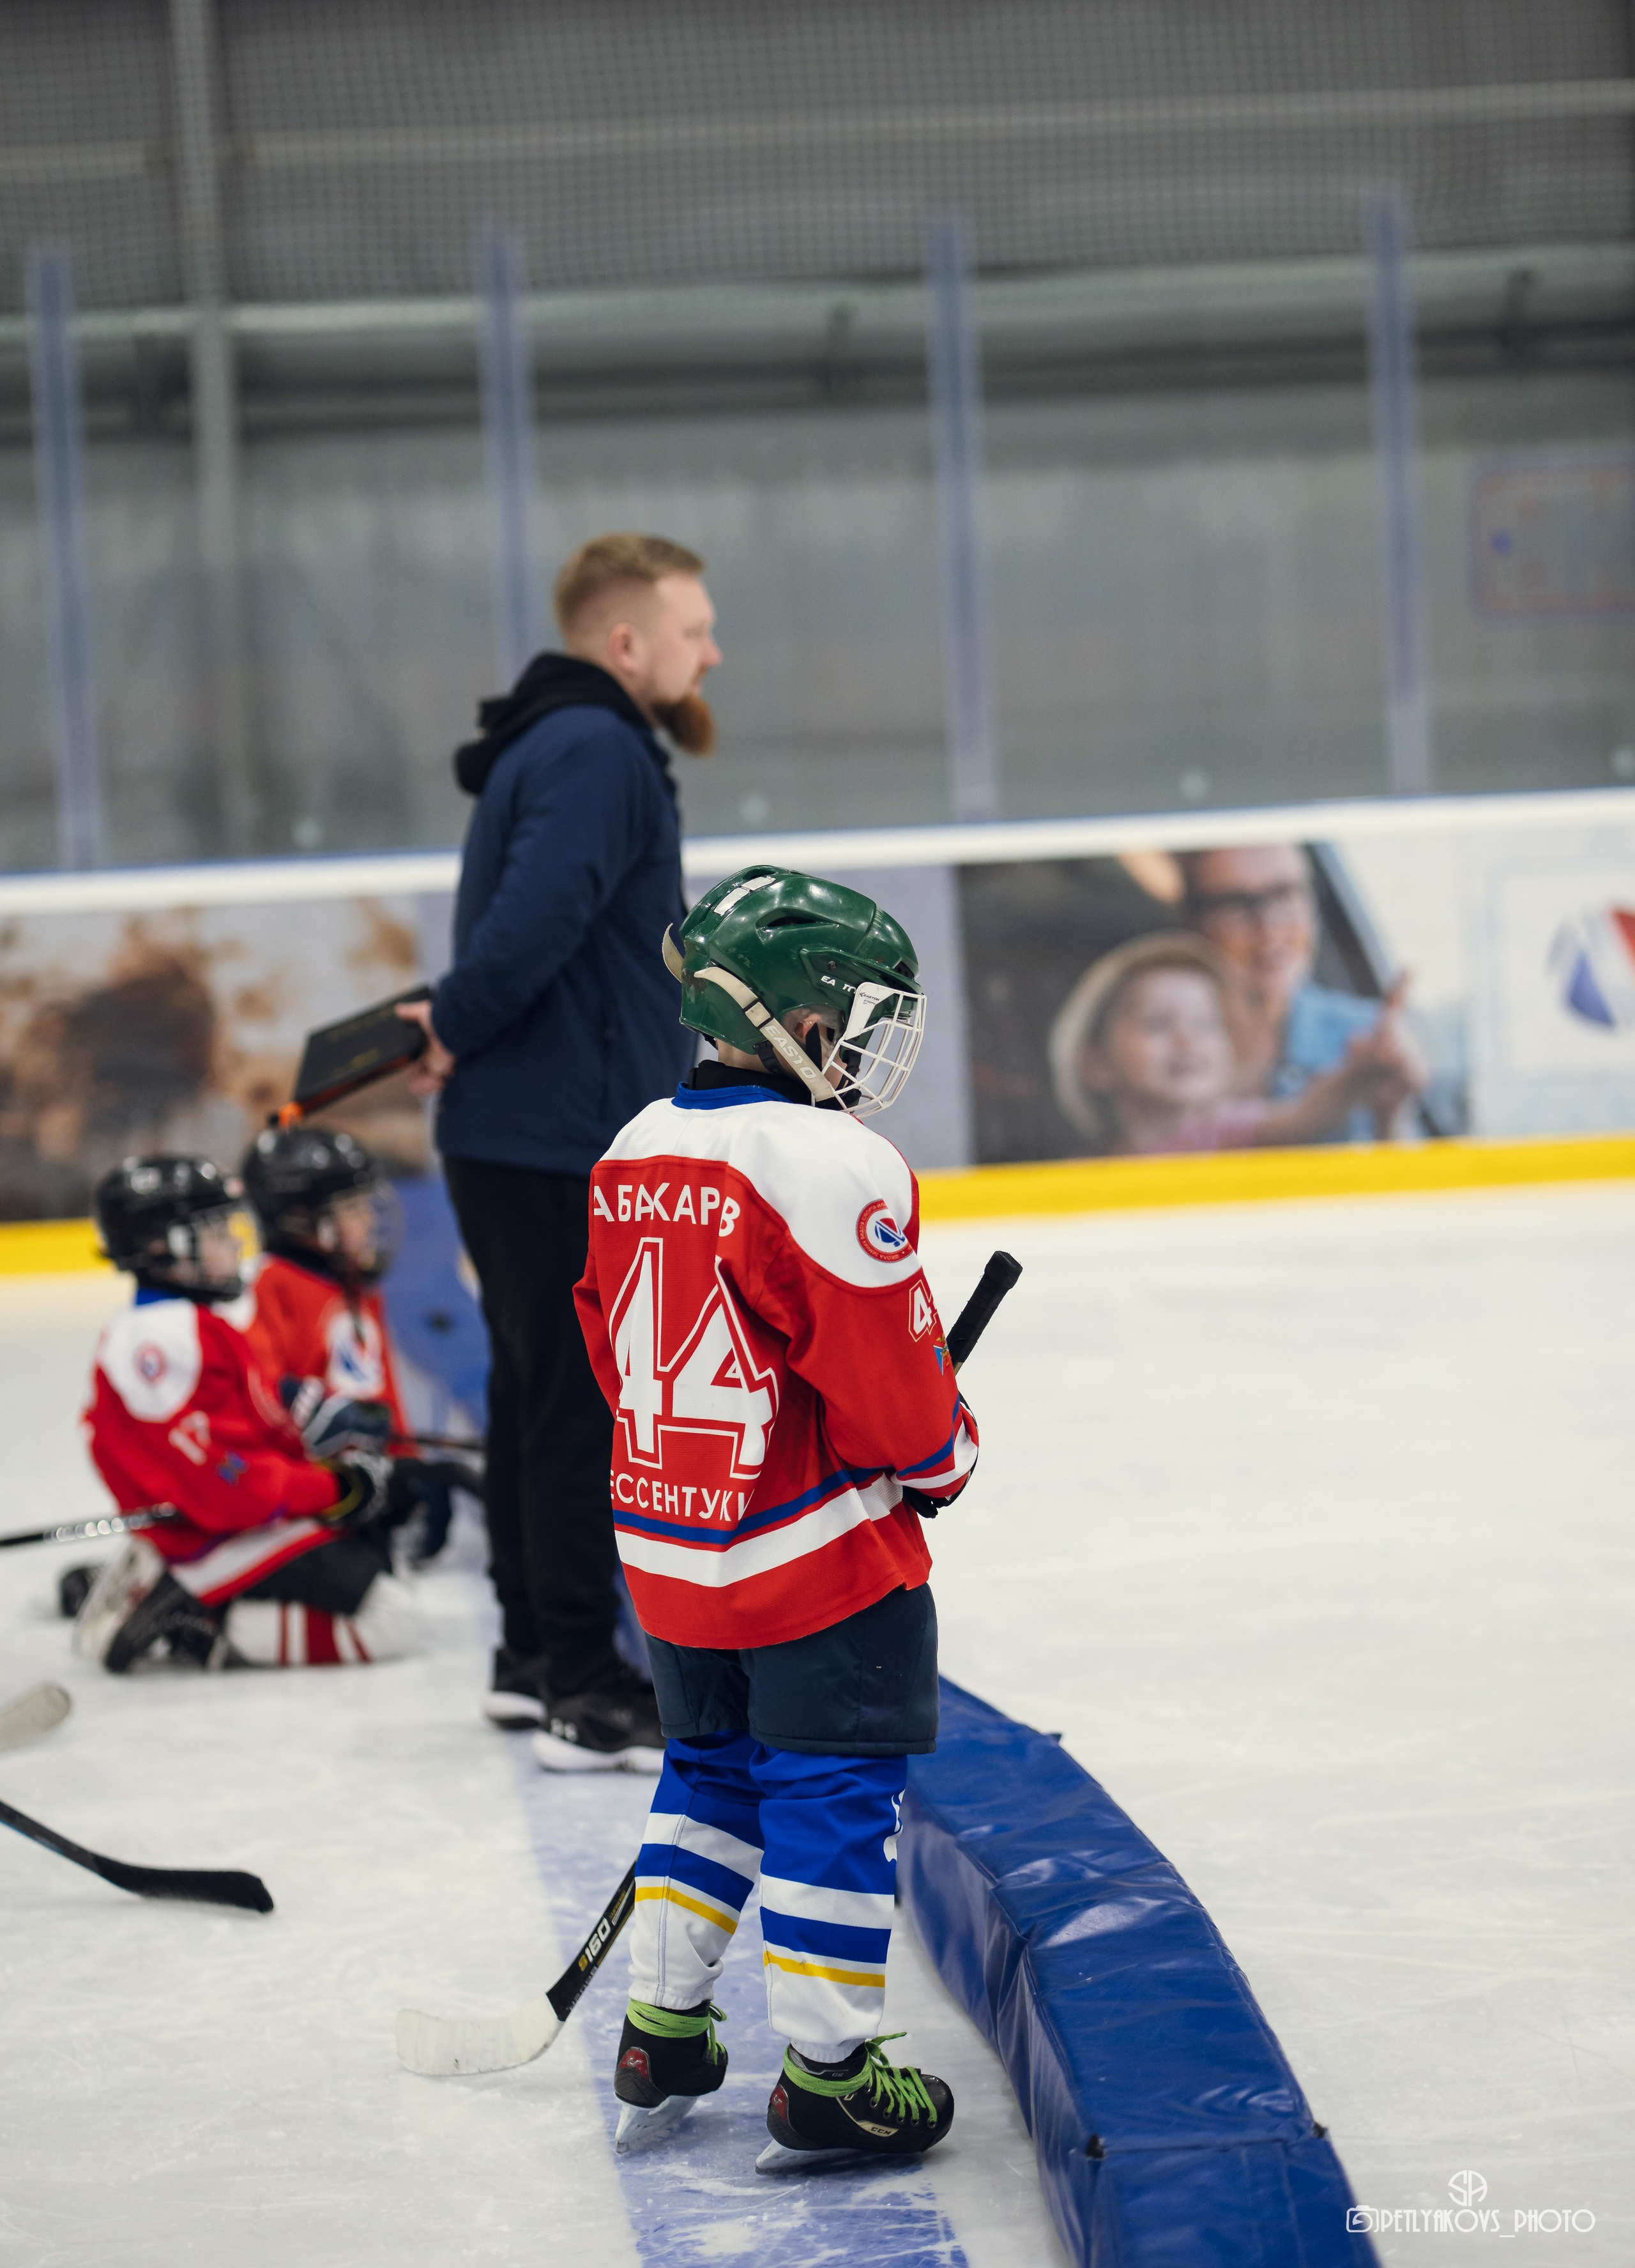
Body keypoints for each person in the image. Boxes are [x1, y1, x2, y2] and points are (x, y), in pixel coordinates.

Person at [574, 866, 977, 2175]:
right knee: (826, 1795)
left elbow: (605, 1345)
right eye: (852, 1018)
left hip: (668, 1551)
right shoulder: (831, 1160)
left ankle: (661, 2031)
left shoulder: (633, 1143)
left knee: (708, 1779)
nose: (863, 1046)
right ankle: (829, 2073)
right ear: (794, 1019)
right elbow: (891, 1400)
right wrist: (940, 1454)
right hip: (811, 1564)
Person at [397, 533, 721, 1766]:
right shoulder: (594, 746)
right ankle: (587, 1682)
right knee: (580, 1403)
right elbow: (543, 916)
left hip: (525, 1130)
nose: (712, 652)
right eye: (695, 630)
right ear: (625, 641)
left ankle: (533, 1652)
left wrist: (456, 1026)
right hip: (559, 1132)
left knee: (538, 1394)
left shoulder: (560, 740)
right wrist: (455, 1021)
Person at [72, 1155, 421, 1673]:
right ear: (160, 1247)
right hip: (212, 1540)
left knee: (378, 1562)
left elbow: (246, 1436)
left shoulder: (192, 1323)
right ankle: (198, 1624)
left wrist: (317, 1438)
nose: (235, 1244)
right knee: (391, 1621)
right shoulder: (160, 1340)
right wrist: (334, 1488)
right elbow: (223, 1483)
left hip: (229, 1524)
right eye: (215, 1231)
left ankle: (180, 1594)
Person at [237, 1124, 455, 1566]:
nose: (370, 1221)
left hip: (361, 1488)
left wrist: (408, 1464)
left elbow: (378, 1391)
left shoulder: (355, 1283)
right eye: (353, 1208)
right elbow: (263, 1401)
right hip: (309, 1496)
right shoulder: (268, 1284)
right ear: (300, 1217)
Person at [1048, 931, 1411, 1154]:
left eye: (1207, 1024)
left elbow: (1306, 1115)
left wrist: (1360, 1073)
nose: (1186, 1040)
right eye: (1158, 1024)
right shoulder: (1087, 1166)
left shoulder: (1222, 1131)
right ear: (1097, 1065)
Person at [1180, 844, 1428, 1133]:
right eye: (1237, 905)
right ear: (1194, 925)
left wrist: (1392, 1111)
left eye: (1286, 896)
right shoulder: (1161, 1044)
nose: (1269, 930)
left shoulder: (1368, 1035)